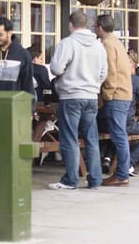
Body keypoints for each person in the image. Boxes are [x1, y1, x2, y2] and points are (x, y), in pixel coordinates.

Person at [48, 11, 108, 190]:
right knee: (91, 138)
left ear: (70, 24)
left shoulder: (68, 43)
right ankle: (95, 179)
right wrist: (94, 85)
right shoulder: (99, 46)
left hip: (71, 95)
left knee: (69, 138)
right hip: (91, 96)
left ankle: (71, 179)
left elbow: (56, 68)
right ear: (88, 24)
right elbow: (104, 72)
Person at [95, 14, 133, 186]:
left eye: (95, 26)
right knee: (120, 135)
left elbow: (110, 72)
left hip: (116, 95)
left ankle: (122, 174)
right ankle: (122, 172)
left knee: (119, 136)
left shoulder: (107, 45)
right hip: (124, 94)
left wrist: (106, 95)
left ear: (100, 27)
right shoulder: (117, 42)